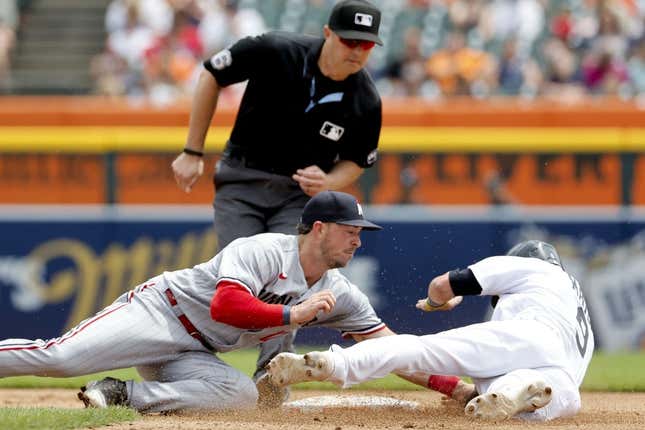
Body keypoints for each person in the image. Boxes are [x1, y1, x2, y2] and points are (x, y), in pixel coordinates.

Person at [0, 191, 469, 413]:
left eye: (360, 235)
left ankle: (124, 394)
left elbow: (390, 349)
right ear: (320, 228)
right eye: (350, 232)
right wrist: (293, 315)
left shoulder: (340, 292)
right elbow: (226, 307)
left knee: (241, 397)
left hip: (195, 354)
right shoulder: (264, 249)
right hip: (161, 312)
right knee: (58, 358)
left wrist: (456, 388)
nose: (358, 243)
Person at [171, 0, 384, 405]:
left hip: (297, 197)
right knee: (235, 267)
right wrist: (192, 150)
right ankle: (191, 358)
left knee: (293, 275)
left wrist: (329, 182)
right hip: (242, 180)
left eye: (367, 45)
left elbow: (357, 162)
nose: (357, 50)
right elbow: (212, 75)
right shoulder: (274, 49)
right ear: (327, 34)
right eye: (349, 40)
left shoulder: (365, 99)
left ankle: (271, 381)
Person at [268, 240, 594, 421]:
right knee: (540, 406)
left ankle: (332, 364)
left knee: (418, 350)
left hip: (525, 335)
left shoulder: (529, 265)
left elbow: (444, 284)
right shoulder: (578, 314)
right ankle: (515, 389)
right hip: (562, 375)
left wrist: (436, 303)